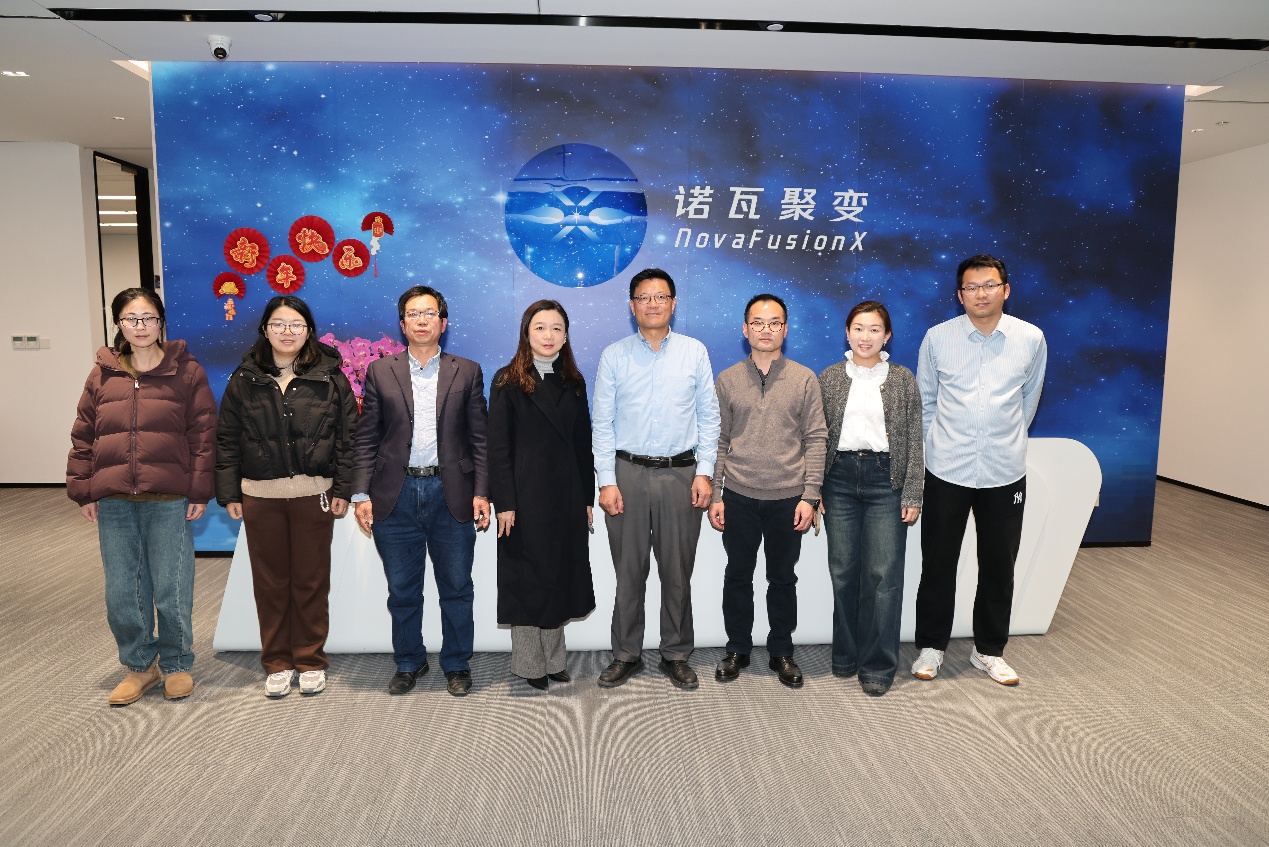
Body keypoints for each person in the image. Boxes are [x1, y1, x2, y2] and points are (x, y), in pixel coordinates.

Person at [67, 287, 217, 705]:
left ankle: (176, 664)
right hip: (114, 498)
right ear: (119, 324)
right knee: (122, 591)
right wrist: (83, 490)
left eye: (148, 317)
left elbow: (204, 435)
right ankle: (139, 666)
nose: (140, 326)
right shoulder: (102, 375)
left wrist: (199, 489)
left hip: (169, 498)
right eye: (131, 318)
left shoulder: (187, 372)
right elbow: (83, 434)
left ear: (161, 322)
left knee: (171, 587)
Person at [912, 254, 1047, 685]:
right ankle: (931, 646)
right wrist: (937, 447)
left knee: (999, 565)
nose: (981, 294)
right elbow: (926, 402)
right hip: (946, 468)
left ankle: (989, 650)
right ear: (960, 295)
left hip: (1004, 471)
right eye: (971, 287)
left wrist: (1003, 440)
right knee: (938, 563)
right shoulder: (938, 338)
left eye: (989, 285)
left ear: (1005, 290)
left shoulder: (1031, 338)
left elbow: (1028, 402)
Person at [215, 295, 358, 698]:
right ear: (265, 330)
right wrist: (229, 492)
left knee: (311, 581)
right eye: (278, 324)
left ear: (309, 330)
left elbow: (348, 438)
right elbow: (227, 439)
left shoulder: (330, 377)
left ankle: (310, 659)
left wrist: (343, 488)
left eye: (296, 324)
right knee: (270, 583)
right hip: (260, 495)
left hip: (314, 494)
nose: (287, 332)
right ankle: (277, 661)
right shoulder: (244, 378)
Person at [351, 285, 490, 697]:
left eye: (430, 313)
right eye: (414, 313)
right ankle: (409, 661)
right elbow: (367, 438)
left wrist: (482, 491)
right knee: (402, 589)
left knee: (456, 587)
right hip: (395, 495)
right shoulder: (380, 371)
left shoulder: (467, 371)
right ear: (402, 324)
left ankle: (457, 663)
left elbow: (480, 438)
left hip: (452, 493)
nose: (422, 320)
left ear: (443, 323)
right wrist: (361, 494)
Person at [592, 268, 720, 690]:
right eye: (644, 297)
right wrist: (607, 480)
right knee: (629, 571)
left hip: (681, 474)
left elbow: (709, 418)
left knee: (677, 571)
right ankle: (626, 653)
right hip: (626, 474)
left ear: (673, 303)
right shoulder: (614, 355)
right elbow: (602, 423)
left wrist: (705, 473)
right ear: (632, 306)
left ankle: (676, 653)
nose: (652, 304)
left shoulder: (694, 352)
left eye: (660, 296)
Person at [708, 294, 827, 689]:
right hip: (738, 495)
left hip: (788, 498)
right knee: (737, 576)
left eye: (774, 323)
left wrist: (810, 496)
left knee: (782, 579)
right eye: (758, 323)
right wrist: (716, 494)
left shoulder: (804, 378)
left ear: (785, 330)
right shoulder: (727, 379)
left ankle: (782, 652)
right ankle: (737, 649)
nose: (766, 329)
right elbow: (719, 440)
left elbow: (816, 439)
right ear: (745, 329)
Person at [488, 300, 596, 691]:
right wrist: (505, 503)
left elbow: (583, 445)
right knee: (528, 581)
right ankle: (529, 664)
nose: (548, 335)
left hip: (566, 496)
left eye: (556, 328)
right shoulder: (507, 380)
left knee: (560, 575)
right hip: (524, 498)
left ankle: (555, 660)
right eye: (540, 327)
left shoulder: (574, 381)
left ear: (565, 336)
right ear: (526, 333)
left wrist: (586, 497)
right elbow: (498, 447)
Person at [818, 300, 924, 696]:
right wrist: (814, 489)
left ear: (887, 335)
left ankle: (878, 666)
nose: (866, 336)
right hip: (839, 479)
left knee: (883, 576)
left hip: (886, 480)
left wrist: (913, 491)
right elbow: (815, 437)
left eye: (875, 329)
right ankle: (845, 656)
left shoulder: (902, 378)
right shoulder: (829, 376)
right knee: (843, 572)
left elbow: (914, 437)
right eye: (859, 328)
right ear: (847, 333)